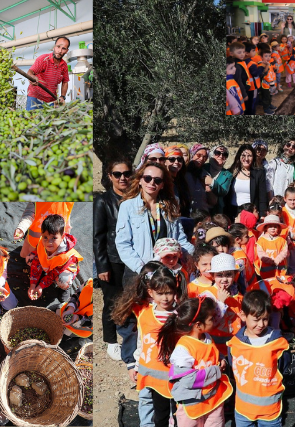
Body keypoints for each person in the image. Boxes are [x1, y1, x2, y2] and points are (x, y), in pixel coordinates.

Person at [113, 264, 181, 427]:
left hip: (169, 374)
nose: (165, 298)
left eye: (169, 293)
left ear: (175, 291)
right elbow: (140, 341)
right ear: (151, 292)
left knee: (168, 412)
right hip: (145, 370)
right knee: (146, 404)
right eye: (160, 293)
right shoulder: (143, 311)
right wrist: (133, 364)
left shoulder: (180, 315)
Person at [156, 296, 232, 427]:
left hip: (213, 400)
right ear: (198, 325)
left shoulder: (206, 337)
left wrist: (221, 359)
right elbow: (188, 380)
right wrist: (216, 371)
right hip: (192, 405)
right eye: (211, 318)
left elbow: (211, 353)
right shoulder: (183, 348)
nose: (215, 320)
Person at [116, 162, 195, 283]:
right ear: (140, 180)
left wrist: (196, 255)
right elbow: (123, 244)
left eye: (157, 180)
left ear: (163, 184)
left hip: (167, 272)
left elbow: (180, 240)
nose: (152, 183)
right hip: (138, 273)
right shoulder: (127, 206)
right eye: (147, 178)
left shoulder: (171, 207)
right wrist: (143, 269)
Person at [227, 290, 290, 427]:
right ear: (243, 316)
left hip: (270, 412)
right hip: (243, 411)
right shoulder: (235, 344)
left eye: (265, 319)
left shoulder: (278, 344)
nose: (261, 324)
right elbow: (233, 367)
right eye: (256, 319)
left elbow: (283, 366)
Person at [95, 159, 132, 360]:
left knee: (131, 298)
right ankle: (111, 341)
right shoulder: (103, 201)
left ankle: (131, 336)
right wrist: (102, 264)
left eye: (126, 174)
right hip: (112, 259)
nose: (122, 178)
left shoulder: (137, 198)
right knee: (111, 300)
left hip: (131, 260)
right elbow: (98, 236)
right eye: (117, 174)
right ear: (110, 177)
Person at [28, 214, 83, 310]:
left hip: (63, 269)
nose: (49, 242)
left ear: (62, 237)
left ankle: (66, 288)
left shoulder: (65, 256)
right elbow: (36, 261)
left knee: (63, 281)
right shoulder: (42, 243)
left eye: (54, 238)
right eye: (45, 237)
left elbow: (53, 274)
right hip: (50, 264)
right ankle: (43, 272)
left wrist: (41, 286)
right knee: (30, 258)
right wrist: (33, 284)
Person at [26, 36, 70, 110]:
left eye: (63, 49)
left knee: (50, 120)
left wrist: (62, 96)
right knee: (32, 119)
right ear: (54, 47)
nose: (59, 51)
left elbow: (65, 82)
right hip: (36, 97)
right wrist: (32, 77)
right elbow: (30, 72)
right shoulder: (44, 59)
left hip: (51, 99)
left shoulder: (64, 65)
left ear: (66, 51)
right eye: (58, 47)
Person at [226, 145, 269, 219]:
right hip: (233, 212)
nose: (246, 159)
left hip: (251, 212)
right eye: (243, 155)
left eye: (249, 156)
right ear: (239, 156)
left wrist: (262, 215)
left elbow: (262, 197)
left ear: (253, 157)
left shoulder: (259, 173)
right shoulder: (231, 172)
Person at [204, 145, 233, 216]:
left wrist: (212, 182)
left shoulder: (227, 174)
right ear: (212, 154)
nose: (221, 156)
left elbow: (224, 191)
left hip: (217, 211)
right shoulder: (203, 168)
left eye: (224, 154)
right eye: (217, 153)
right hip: (201, 207)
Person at [165, 147, 191, 217]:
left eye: (179, 159)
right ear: (164, 162)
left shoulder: (182, 181)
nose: (176, 162)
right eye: (171, 159)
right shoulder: (161, 182)